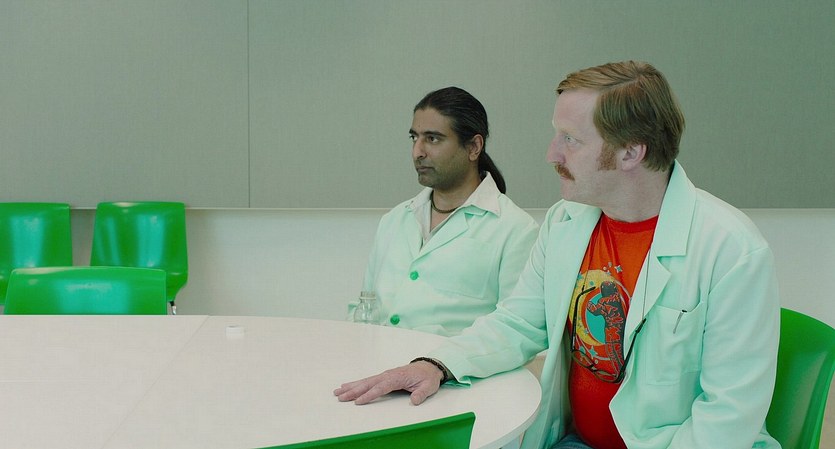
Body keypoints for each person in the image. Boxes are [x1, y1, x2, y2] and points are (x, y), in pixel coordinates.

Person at [335, 62, 781, 449]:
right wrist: (436, 364)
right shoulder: (567, 221)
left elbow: (729, 413)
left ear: (631, 151)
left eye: (571, 139)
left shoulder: (730, 250)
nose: (552, 153)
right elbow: (518, 322)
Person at [348, 86, 539, 337]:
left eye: (433, 139)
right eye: (414, 138)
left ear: (473, 147)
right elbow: (365, 307)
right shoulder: (395, 220)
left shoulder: (515, 229)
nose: (418, 152)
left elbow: (514, 332)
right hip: (377, 359)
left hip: (450, 363)